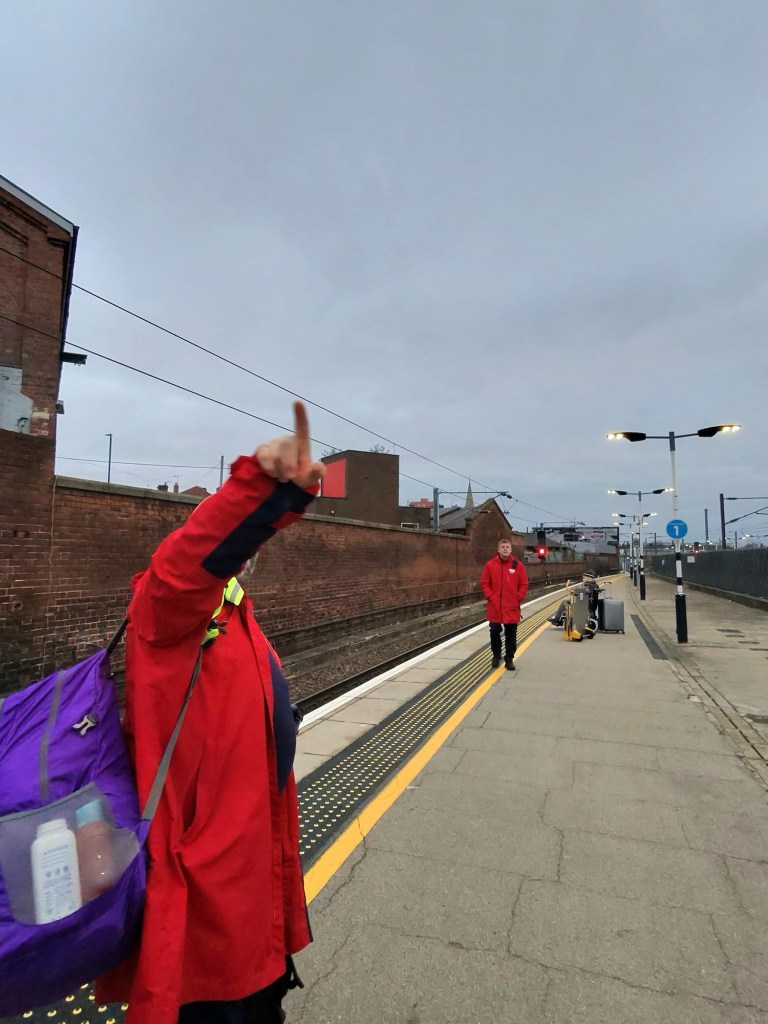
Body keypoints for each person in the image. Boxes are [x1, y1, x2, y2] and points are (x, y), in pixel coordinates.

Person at [97, 402, 325, 1024]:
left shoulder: (238, 615)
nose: (241, 551)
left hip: (253, 871)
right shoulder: (164, 607)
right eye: (232, 536)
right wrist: (259, 485)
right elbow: (189, 563)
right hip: (202, 891)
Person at [480, 538, 529, 670]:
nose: (505, 549)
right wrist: (490, 596)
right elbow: (485, 582)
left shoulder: (518, 566)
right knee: (494, 631)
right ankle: (496, 655)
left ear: (511, 549)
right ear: (498, 549)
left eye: (507, 546)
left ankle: (509, 659)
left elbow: (523, 584)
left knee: (511, 634)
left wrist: (518, 598)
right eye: (503, 547)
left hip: (511, 606)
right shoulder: (490, 565)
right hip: (495, 606)